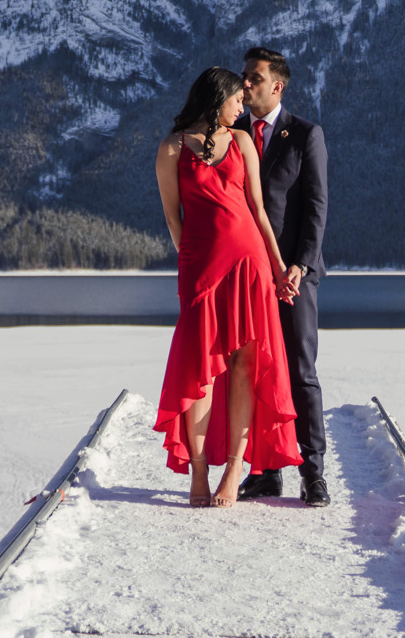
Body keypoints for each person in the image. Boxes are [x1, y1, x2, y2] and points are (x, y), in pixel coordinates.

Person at [153, 65, 303, 508]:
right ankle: (198, 470)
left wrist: (277, 267)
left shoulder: (241, 143)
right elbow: (171, 217)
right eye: (237, 99)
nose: (243, 107)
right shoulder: (172, 147)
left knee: (243, 366)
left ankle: (234, 470)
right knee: (200, 371)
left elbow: (258, 212)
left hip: (250, 266)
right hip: (201, 270)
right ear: (217, 97)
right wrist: (191, 263)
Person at [236, 46, 330, 507]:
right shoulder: (233, 133)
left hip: (294, 276)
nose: (246, 83)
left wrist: (300, 265)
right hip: (247, 276)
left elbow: (315, 206)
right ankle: (266, 470)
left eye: (255, 77)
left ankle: (313, 473)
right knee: (255, 374)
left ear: (279, 85)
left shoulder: (305, 135)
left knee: (300, 373)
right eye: (244, 76)